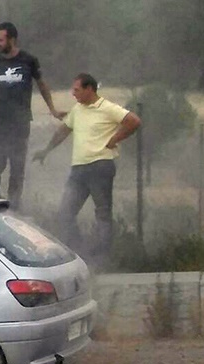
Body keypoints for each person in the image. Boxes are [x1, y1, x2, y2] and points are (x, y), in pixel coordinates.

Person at [32, 73, 141, 264]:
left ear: (89, 89)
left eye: (77, 90)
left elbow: (133, 121)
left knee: (102, 213)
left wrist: (114, 139)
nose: (73, 94)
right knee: (66, 212)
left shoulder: (107, 108)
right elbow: (63, 130)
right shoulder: (78, 109)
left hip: (100, 165)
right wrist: (46, 150)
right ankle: (79, 253)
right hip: (79, 168)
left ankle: (102, 257)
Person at [0, 22, 62, 209]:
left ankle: (14, 207)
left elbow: (42, 85)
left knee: (17, 170)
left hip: (19, 125)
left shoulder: (28, 61)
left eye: (0, 40)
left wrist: (52, 109)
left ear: (12, 39)